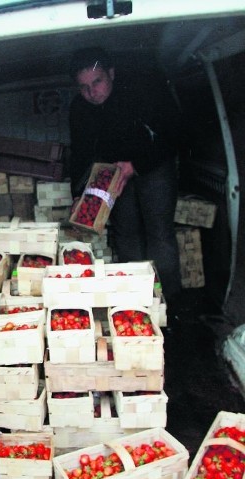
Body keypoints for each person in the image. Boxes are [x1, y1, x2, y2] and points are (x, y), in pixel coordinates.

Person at [68, 47, 183, 301]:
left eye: (97, 82)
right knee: (125, 232)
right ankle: (137, 298)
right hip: (114, 174)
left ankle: (171, 300)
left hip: (152, 164)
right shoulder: (79, 109)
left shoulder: (140, 92)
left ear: (111, 73)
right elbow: (80, 155)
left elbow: (174, 136)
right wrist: (79, 194)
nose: (92, 92)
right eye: (84, 87)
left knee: (159, 232)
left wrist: (136, 165)